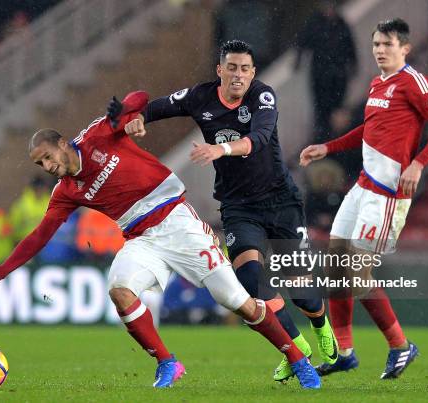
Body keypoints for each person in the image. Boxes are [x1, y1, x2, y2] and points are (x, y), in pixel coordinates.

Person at [0, 91, 321, 390]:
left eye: (48, 157)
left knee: (238, 301)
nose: (47, 166)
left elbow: (139, 101)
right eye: (40, 165)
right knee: (119, 289)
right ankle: (167, 362)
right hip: (141, 238)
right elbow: (40, 236)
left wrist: (126, 108)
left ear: (61, 143)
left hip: (177, 221)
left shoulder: (98, 136)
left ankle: (297, 359)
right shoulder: (66, 192)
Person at [128, 39, 338, 383]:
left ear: (253, 73)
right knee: (251, 280)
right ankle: (296, 347)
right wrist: (137, 117)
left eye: (244, 69)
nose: (238, 75)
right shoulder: (200, 96)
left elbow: (260, 136)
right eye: (232, 68)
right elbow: (157, 108)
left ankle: (320, 325)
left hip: (281, 202)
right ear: (220, 70)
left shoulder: (263, 96)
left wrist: (220, 149)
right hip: (239, 207)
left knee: (302, 294)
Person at [299, 18, 428, 379]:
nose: (380, 51)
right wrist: (329, 147)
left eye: (387, 44)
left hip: (387, 196)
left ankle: (401, 347)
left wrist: (418, 164)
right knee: (336, 266)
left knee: (357, 272)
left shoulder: (413, 82)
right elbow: (369, 131)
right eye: (376, 45)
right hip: (362, 187)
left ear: (405, 48)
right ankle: (345, 352)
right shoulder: (378, 84)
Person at [294, 1, 357, 141]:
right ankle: (322, 135)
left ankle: (336, 135)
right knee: (320, 107)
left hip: (338, 75)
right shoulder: (315, 24)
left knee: (337, 106)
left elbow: (350, 47)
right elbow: (302, 42)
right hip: (320, 74)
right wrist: (298, 61)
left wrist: (353, 65)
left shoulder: (341, 25)